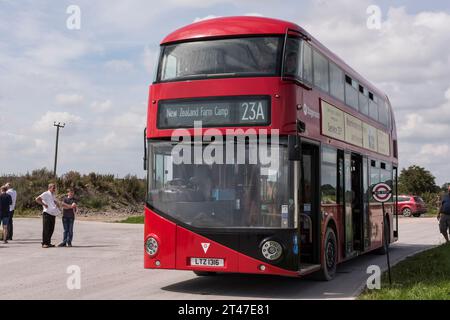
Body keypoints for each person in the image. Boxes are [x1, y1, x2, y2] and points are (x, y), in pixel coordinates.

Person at [35, 183, 75, 248]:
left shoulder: (53, 195)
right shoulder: (46, 193)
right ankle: (44, 243)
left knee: (51, 229)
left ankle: (48, 243)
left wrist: (58, 206)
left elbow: (55, 202)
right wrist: (44, 204)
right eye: (53, 188)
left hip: (53, 213)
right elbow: (37, 199)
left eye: (54, 188)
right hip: (47, 213)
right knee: (46, 229)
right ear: (49, 188)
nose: (54, 189)